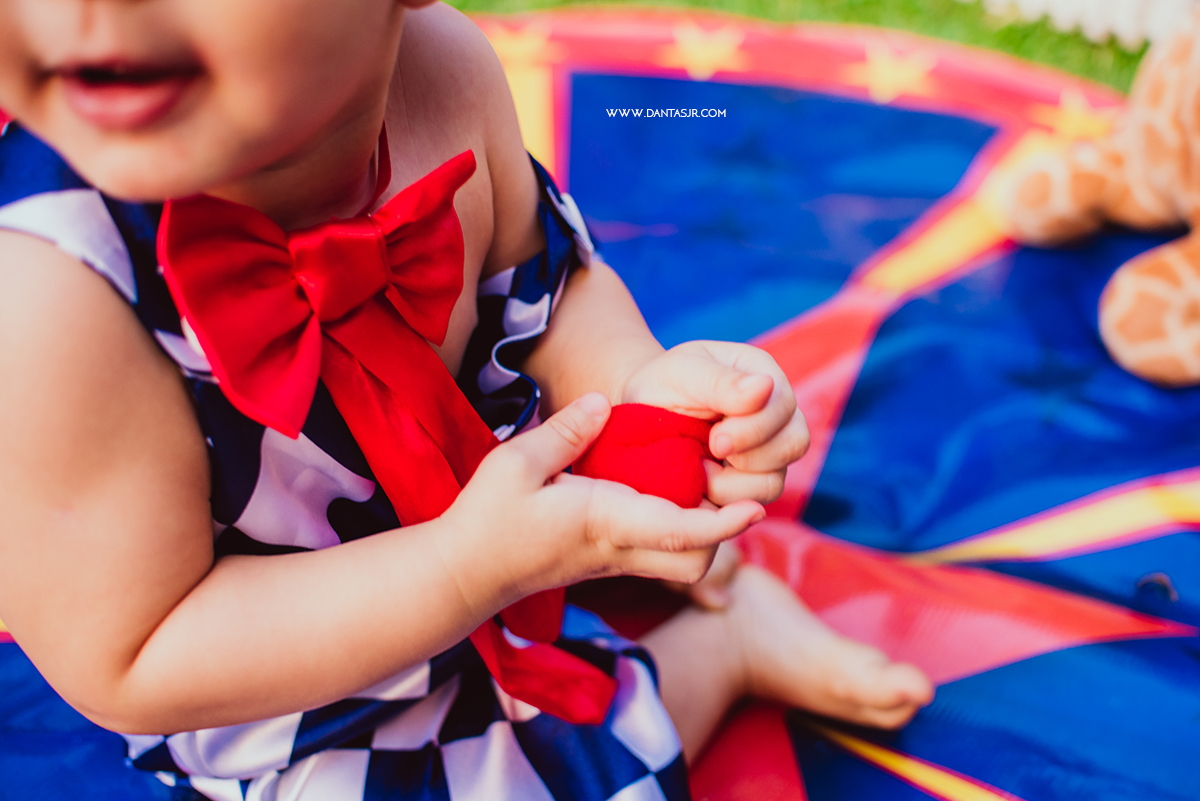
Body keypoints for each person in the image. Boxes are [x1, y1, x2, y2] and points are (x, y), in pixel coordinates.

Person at [0, 1, 933, 798]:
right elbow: (137, 654)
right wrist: (461, 569)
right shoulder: (48, 296)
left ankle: (678, 614)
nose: (84, 15)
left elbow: (551, 288)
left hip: (484, 522)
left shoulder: (445, 75)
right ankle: (710, 661)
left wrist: (641, 386)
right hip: (275, 685)